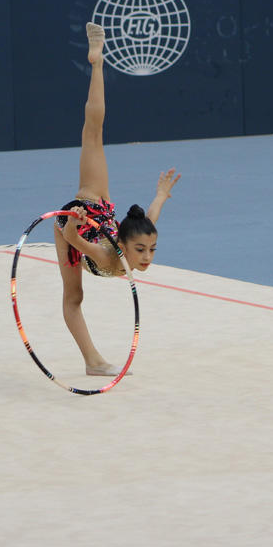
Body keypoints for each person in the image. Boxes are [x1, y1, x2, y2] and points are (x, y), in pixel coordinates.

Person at [53, 22, 181, 377]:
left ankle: (91, 361)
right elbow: (74, 238)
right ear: (122, 242)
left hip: (91, 224)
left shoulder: (127, 246)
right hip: (79, 218)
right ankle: (97, 61)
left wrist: (160, 196)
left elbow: (150, 219)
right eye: (141, 250)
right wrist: (77, 218)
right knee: (93, 131)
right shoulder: (111, 256)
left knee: (73, 300)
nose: (147, 257)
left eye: (150, 250)